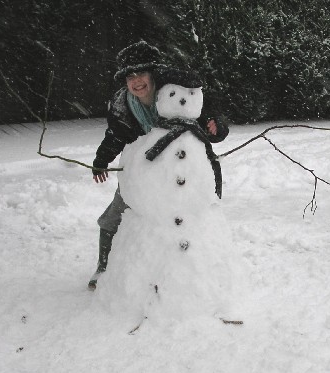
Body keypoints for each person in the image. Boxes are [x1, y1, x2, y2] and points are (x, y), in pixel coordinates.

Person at [88, 41, 229, 290]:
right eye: (129, 77)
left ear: (153, 74)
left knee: (199, 214)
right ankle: (103, 267)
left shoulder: (175, 91)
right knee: (112, 218)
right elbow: (115, 137)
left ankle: (204, 270)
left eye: (141, 74)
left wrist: (215, 125)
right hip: (144, 174)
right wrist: (101, 161)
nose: (136, 81)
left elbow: (205, 112)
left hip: (183, 170)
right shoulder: (123, 107)